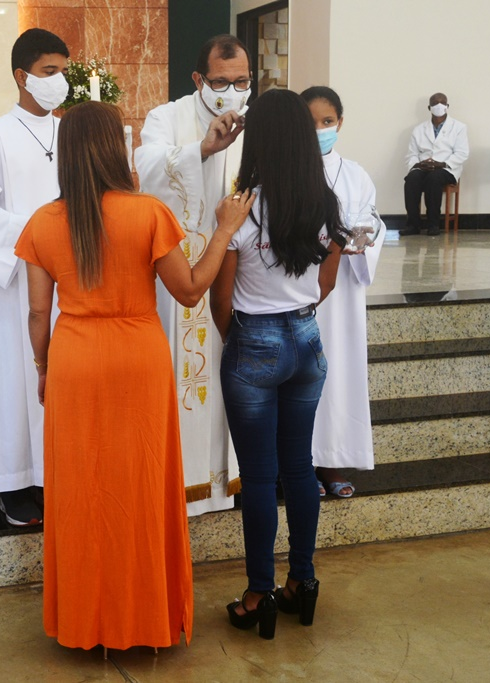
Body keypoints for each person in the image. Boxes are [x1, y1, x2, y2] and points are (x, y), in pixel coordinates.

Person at [15, 102, 256, 652]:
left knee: (82, 491)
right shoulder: (147, 213)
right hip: (138, 358)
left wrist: (44, 368)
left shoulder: (43, 222)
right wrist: (224, 230)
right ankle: (145, 618)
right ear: (113, 148)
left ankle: (84, 621)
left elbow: (36, 313)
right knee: (142, 486)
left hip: (75, 360)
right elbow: (190, 290)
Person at [209, 89, 346, 640]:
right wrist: (298, 317)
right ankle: (302, 582)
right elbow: (327, 281)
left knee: (261, 477)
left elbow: (221, 299)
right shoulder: (325, 203)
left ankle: (258, 593)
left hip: (254, 342)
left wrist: (242, 342)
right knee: (299, 469)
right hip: (307, 340)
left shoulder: (242, 206)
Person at [134, 34, 252, 516]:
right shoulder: (168, 117)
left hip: (239, 270)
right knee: (184, 372)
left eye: (242, 81)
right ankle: (179, 483)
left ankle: (226, 481)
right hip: (179, 271)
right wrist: (202, 149)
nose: (232, 92)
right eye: (221, 82)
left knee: (231, 374)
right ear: (198, 79)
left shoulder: (256, 122)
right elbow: (146, 167)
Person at [0, 28, 69, 527]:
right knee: (14, 376)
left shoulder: (70, 131)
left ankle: (54, 477)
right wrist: (40, 231)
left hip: (68, 276)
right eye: (50, 71)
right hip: (16, 280)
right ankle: (13, 484)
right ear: (22, 76)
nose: (59, 80)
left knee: (58, 379)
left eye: (63, 71)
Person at [301, 85, 387, 499]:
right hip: (301, 288)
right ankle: (298, 464)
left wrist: (363, 237)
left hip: (345, 291)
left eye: (328, 121)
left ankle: (333, 460)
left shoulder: (355, 174)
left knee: (338, 372)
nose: (320, 129)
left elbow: (372, 219)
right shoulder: (285, 171)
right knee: (301, 375)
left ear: (340, 123)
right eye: (311, 122)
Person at [400, 92, 469, 237]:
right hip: (423, 167)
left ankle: (433, 224)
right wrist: (418, 165)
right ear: (429, 108)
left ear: (447, 106)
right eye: (435, 103)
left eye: (442, 103)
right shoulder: (418, 129)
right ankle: (413, 225)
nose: (439, 106)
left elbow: (462, 153)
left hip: (447, 168)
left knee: (434, 178)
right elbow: (412, 154)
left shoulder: (459, 127)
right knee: (411, 179)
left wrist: (443, 164)